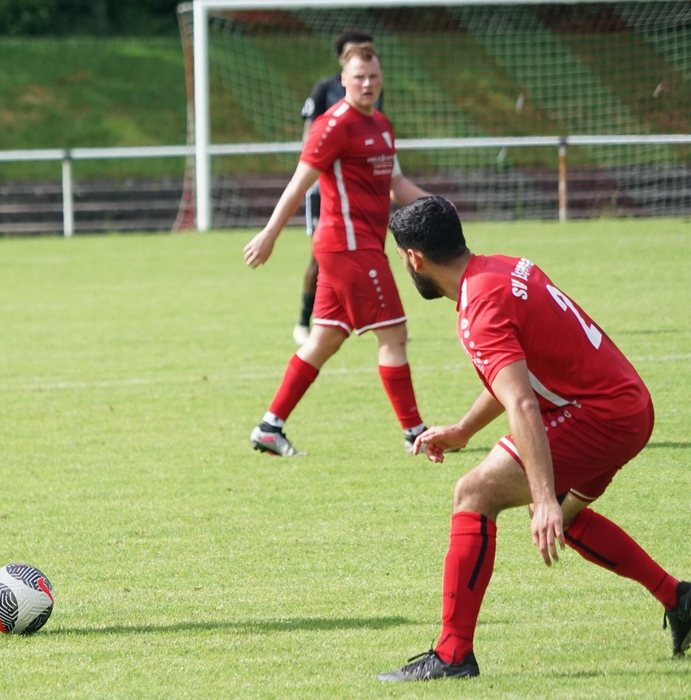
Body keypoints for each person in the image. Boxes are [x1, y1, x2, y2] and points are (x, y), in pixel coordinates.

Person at [378, 195, 691, 681]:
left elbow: (522, 403)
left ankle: (453, 654)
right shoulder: (502, 268)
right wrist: (463, 430)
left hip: (600, 416)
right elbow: (517, 377)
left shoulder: (478, 309)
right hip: (628, 404)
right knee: (567, 514)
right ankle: (680, 599)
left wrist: (543, 498)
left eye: (401, 258)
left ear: (414, 258)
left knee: (473, 493)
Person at [244, 44, 431, 457]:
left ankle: (269, 427)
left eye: (374, 76)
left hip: (357, 247)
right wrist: (270, 233)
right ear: (343, 80)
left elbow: (397, 186)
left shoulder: (381, 124)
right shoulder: (333, 126)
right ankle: (414, 433)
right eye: (359, 77)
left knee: (325, 338)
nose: (367, 83)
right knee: (394, 334)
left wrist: (438, 207)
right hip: (348, 247)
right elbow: (299, 183)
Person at [295, 29, 382, 346]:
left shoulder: (372, 88)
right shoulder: (326, 89)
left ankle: (376, 319)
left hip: (361, 191)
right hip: (325, 189)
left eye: (369, 51)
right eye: (356, 52)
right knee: (320, 257)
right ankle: (304, 321)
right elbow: (310, 137)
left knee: (369, 252)